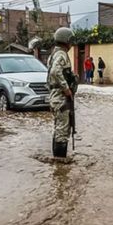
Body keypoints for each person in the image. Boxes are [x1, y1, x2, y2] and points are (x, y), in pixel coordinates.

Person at [47, 27, 78, 158]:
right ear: (66, 40)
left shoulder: (54, 54)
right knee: (62, 130)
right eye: (70, 41)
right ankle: (60, 165)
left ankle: (57, 162)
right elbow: (55, 71)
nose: (71, 44)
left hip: (56, 97)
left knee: (59, 127)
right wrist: (66, 88)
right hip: (60, 97)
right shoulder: (61, 54)